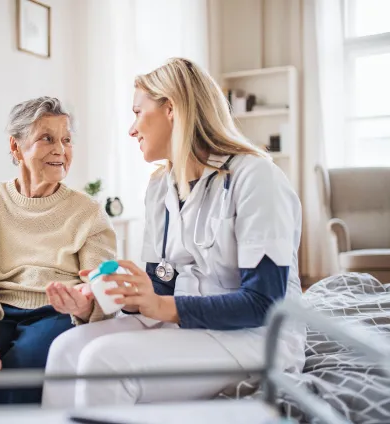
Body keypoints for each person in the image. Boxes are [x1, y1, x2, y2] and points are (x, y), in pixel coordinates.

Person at [42, 58, 306, 408]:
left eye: (138, 112)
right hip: (187, 322)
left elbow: (264, 304)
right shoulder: (159, 188)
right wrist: (107, 294)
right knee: (66, 348)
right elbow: (161, 284)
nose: (131, 129)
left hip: (254, 336)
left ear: (171, 108)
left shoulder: (256, 177)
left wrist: (160, 304)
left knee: (104, 363)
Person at [0, 96, 116, 406]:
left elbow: (103, 289)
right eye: (47, 138)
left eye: (66, 140)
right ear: (16, 147)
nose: (60, 149)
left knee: (20, 371)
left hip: (57, 313)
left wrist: (84, 305)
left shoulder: (89, 211)